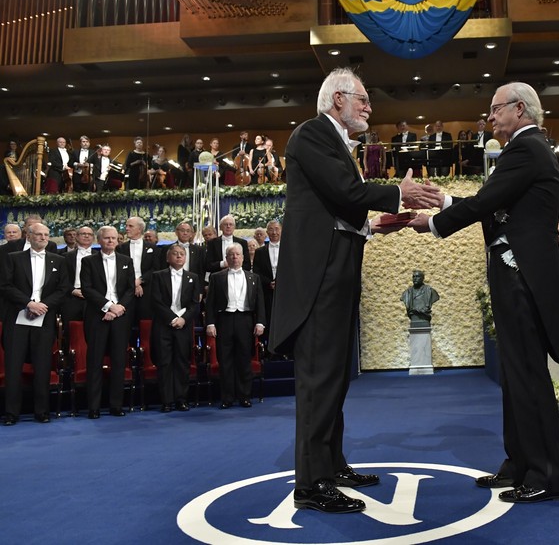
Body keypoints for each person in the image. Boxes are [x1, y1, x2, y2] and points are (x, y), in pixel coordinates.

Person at [268, 67, 442, 514]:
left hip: (338, 272)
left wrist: (375, 225)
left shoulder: (337, 144)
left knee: (337, 375)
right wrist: (397, 192)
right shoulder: (311, 133)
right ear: (335, 100)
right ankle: (310, 484)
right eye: (362, 98)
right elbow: (345, 190)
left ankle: (332, 464)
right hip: (319, 279)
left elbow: (340, 208)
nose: (369, 106)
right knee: (319, 379)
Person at [410, 81, 559, 504]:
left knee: (527, 375)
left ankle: (546, 473)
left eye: (495, 109)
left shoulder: (527, 148)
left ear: (519, 109)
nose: (490, 116)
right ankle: (519, 463)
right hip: (511, 272)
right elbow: (495, 202)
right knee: (514, 373)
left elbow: (486, 202)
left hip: (522, 276)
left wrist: (431, 223)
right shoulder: (525, 150)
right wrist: (445, 199)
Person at [0, 223, 70, 425]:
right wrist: (28, 303)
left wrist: (43, 305)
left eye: (46, 235)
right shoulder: (13, 258)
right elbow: (4, 285)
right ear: (28, 236)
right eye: (38, 234)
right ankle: (12, 413)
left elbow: (63, 288)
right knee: (13, 366)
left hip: (45, 318)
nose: (43, 237)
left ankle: (42, 411)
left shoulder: (59, 260)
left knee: (42, 365)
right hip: (17, 317)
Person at [80, 226, 136, 418]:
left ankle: (116, 405)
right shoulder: (88, 261)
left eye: (114, 238)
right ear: (99, 240)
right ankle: (94, 407)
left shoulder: (127, 261)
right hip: (97, 316)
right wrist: (108, 306)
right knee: (94, 361)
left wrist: (118, 308)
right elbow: (87, 289)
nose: (111, 241)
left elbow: (130, 290)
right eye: (107, 238)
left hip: (120, 316)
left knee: (119, 362)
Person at [205, 243, 265, 409]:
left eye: (238, 255)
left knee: (245, 359)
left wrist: (260, 321)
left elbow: (260, 302)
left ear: (243, 257)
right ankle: (227, 398)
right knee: (225, 361)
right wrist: (210, 323)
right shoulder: (217, 277)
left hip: (245, 321)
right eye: (231, 255)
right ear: (226, 258)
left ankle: (245, 396)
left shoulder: (254, 278)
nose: (235, 258)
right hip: (224, 320)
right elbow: (209, 304)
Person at [150, 244, 201, 412]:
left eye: (182, 254)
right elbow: (156, 301)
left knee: (182, 362)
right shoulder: (158, 276)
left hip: (183, 327)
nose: (179, 256)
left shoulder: (193, 277)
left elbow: (195, 304)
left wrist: (183, 319)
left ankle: (181, 399)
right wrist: (172, 318)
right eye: (175, 254)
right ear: (168, 258)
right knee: (164, 363)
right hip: (163, 326)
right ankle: (166, 401)